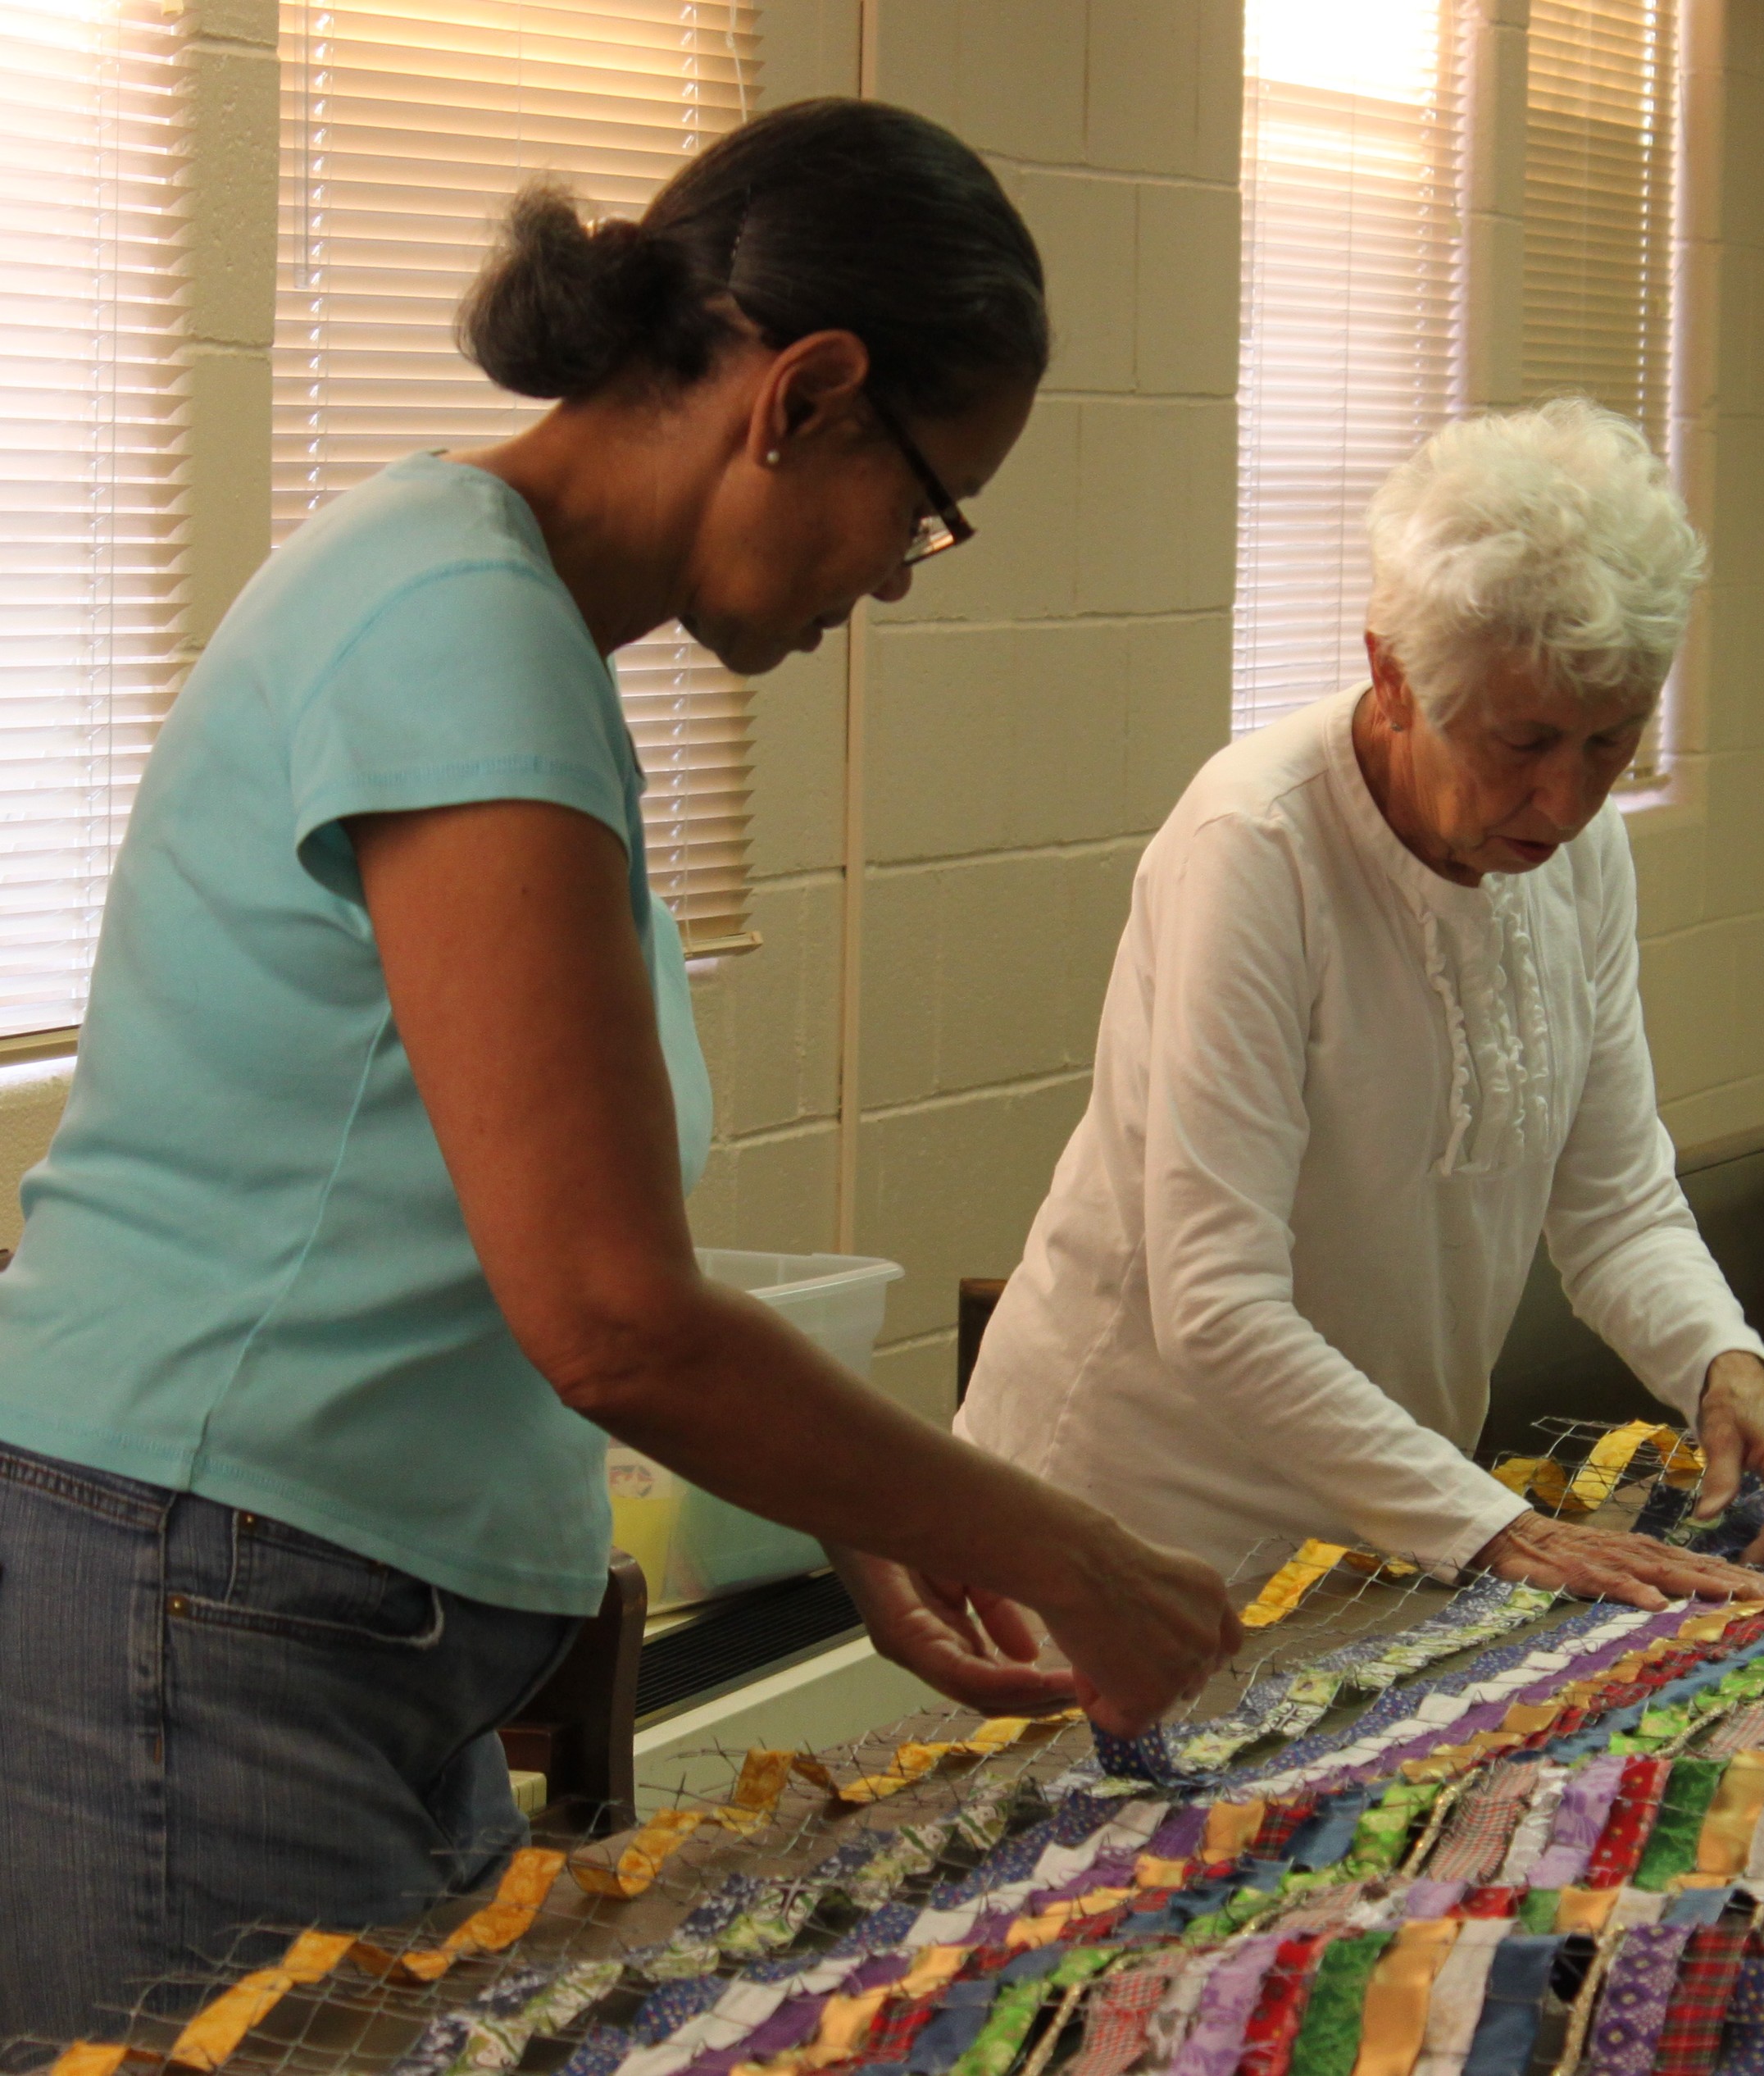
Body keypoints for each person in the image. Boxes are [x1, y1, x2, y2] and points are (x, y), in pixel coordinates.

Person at [0, 98, 1236, 2033]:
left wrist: (857, 1501)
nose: (898, 579)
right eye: (922, 509)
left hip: (300, 1622)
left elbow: (523, 1233)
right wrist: (1059, 1548)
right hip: (202, 1609)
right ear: (803, 394)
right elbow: (610, 1314)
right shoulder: (456, 631)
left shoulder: (503, 631)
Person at [959, 399, 1764, 1602]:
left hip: (1376, 1521)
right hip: (1123, 1526)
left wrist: (1726, 1370)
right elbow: (1216, 1308)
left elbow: (1616, 1207)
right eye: (1521, 739)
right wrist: (1503, 1533)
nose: (1564, 796)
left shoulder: (1576, 855)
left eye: (1609, 742)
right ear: (1390, 676)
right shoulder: (1254, 844)